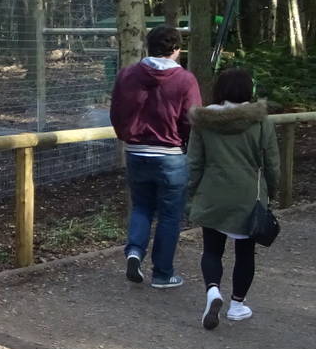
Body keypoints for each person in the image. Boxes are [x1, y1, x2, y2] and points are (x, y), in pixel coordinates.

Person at [109, 24, 202, 288]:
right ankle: (162, 274)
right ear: (176, 49)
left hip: (137, 152)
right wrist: (182, 140)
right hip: (171, 154)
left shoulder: (128, 74)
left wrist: (125, 135)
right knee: (170, 215)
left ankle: (135, 251)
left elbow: (116, 110)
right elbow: (192, 118)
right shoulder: (185, 80)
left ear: (148, 47)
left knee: (141, 206)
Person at [186, 67, 278, 329]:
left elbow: (194, 163)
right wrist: (271, 191)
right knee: (245, 252)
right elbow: (271, 163)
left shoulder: (203, 121)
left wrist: (191, 193)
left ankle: (213, 291)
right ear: (248, 90)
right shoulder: (261, 122)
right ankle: (237, 305)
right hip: (249, 195)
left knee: (212, 249)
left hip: (213, 193)